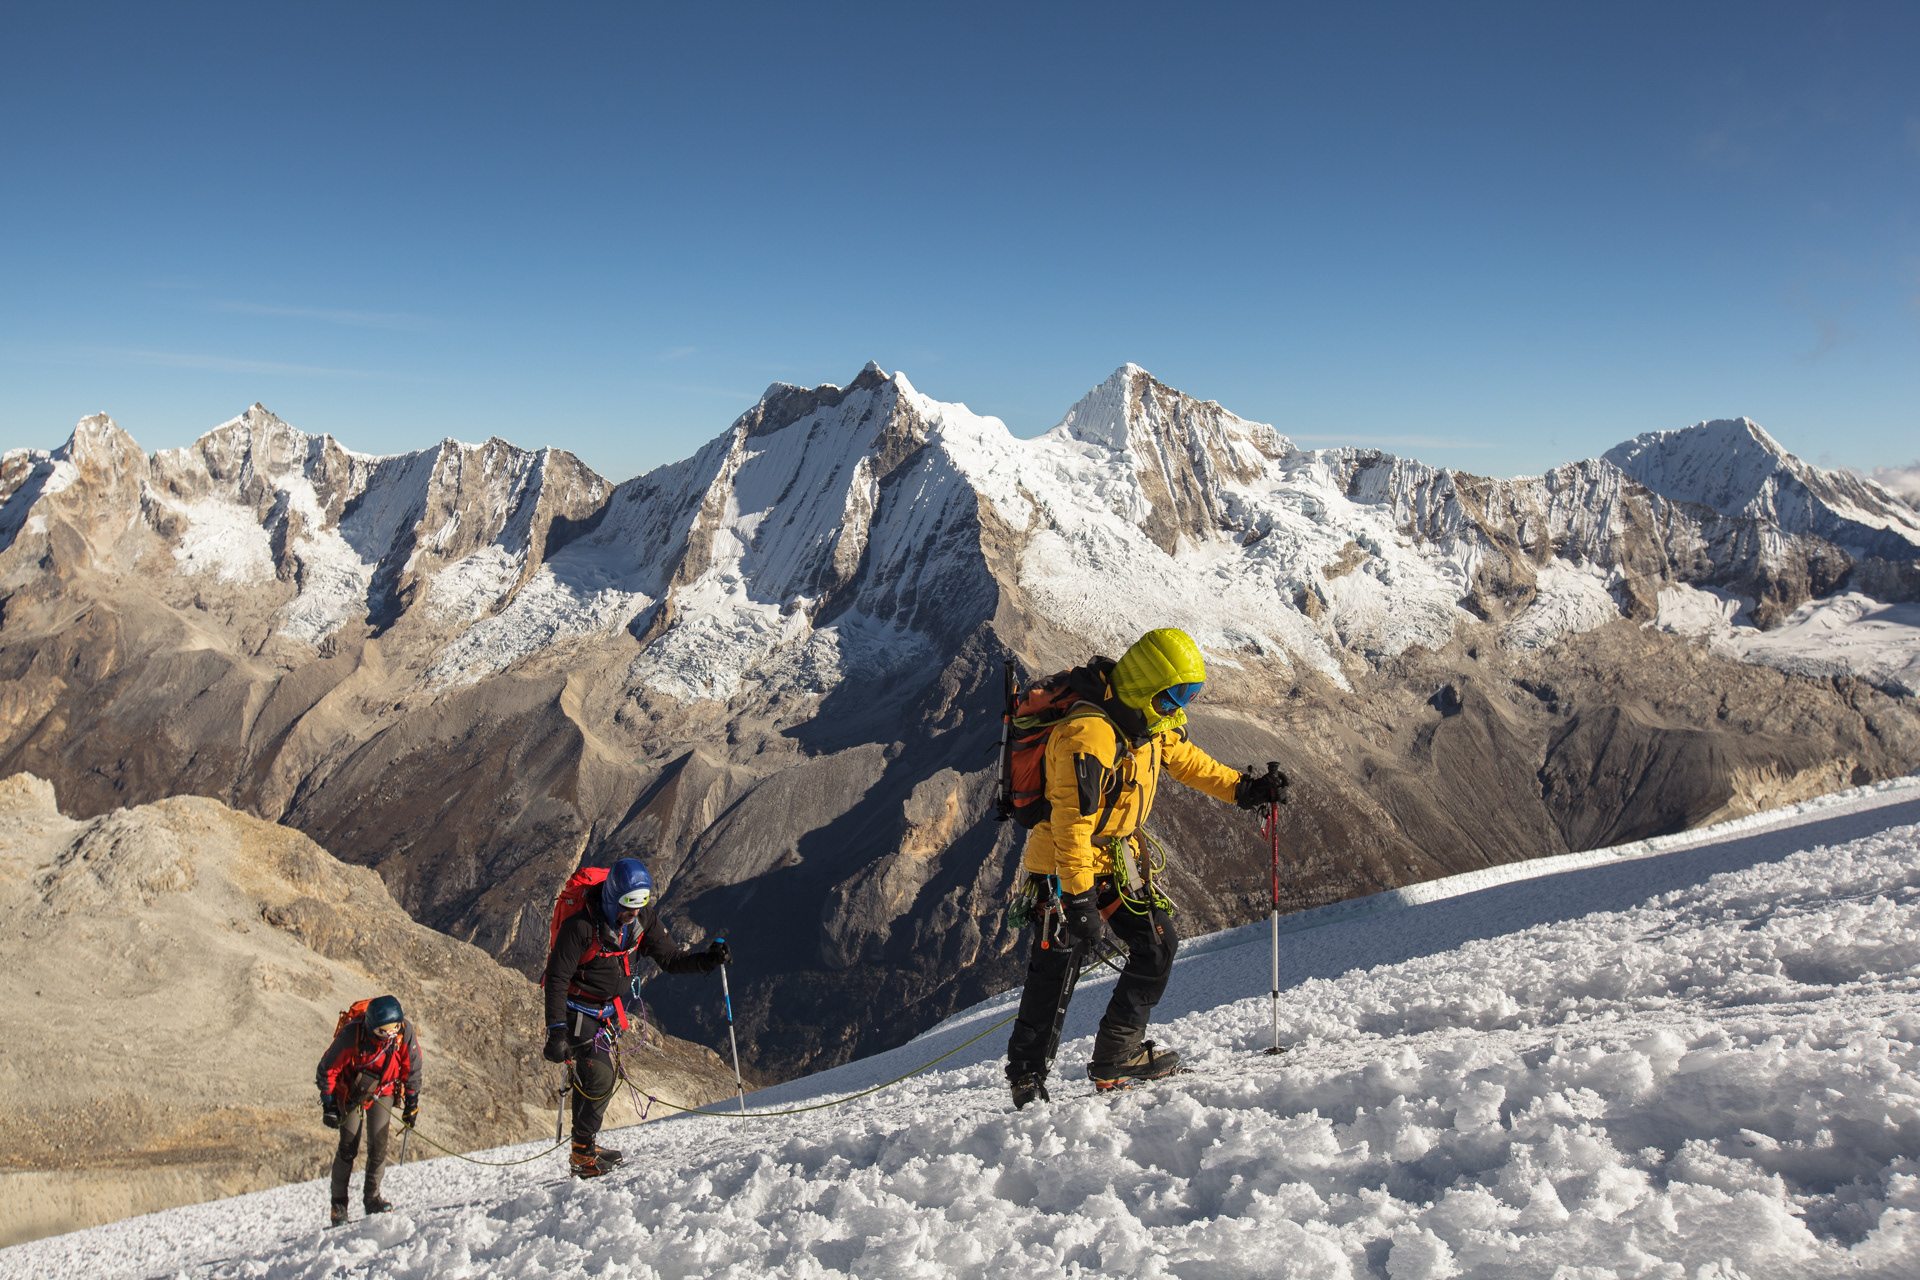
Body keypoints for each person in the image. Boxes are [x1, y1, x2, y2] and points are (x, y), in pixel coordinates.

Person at [1004, 627, 1288, 1108]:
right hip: (1063, 868)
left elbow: (1187, 760)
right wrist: (1077, 899)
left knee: (1156, 943)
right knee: (1056, 968)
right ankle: (1027, 1079)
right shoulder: (1087, 735)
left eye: (1188, 697)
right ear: (1146, 686)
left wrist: (1244, 789)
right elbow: (1072, 826)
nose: (1181, 708)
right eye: (1176, 696)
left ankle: (1119, 1054)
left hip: (1114, 860)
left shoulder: (1147, 724)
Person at [543, 857, 731, 1178]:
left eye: (638, 907)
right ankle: (582, 1156)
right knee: (600, 1078)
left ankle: (583, 1147)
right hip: (579, 1013)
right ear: (612, 898)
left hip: (608, 1012)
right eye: (627, 908)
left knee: (596, 1078)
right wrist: (557, 1031)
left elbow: (670, 958)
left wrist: (706, 961)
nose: (632, 915)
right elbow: (558, 978)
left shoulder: (641, 920)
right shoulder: (581, 927)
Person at [316, 993, 421, 1226]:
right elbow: (327, 1069)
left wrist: (411, 1103)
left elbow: (411, 1068)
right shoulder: (351, 1035)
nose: (390, 1034)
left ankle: (372, 1199)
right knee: (348, 1148)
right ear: (372, 1027)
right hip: (350, 1094)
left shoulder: (404, 1032)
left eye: (394, 1028)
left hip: (383, 1091)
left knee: (379, 1145)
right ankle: (339, 1207)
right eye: (384, 1031)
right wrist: (330, 1104)